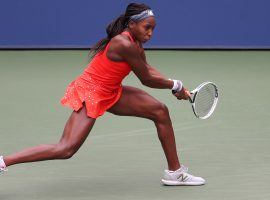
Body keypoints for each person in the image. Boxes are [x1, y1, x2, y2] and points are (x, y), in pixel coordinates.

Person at [0, 3, 205, 186]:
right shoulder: (123, 43)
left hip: (111, 91)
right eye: (147, 27)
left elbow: (148, 69)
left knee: (160, 111)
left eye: (153, 28)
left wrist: (175, 86)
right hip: (91, 92)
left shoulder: (136, 43)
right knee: (65, 149)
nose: (150, 33)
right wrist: (175, 85)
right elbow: (146, 78)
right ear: (131, 24)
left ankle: (175, 173)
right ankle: (3, 161)